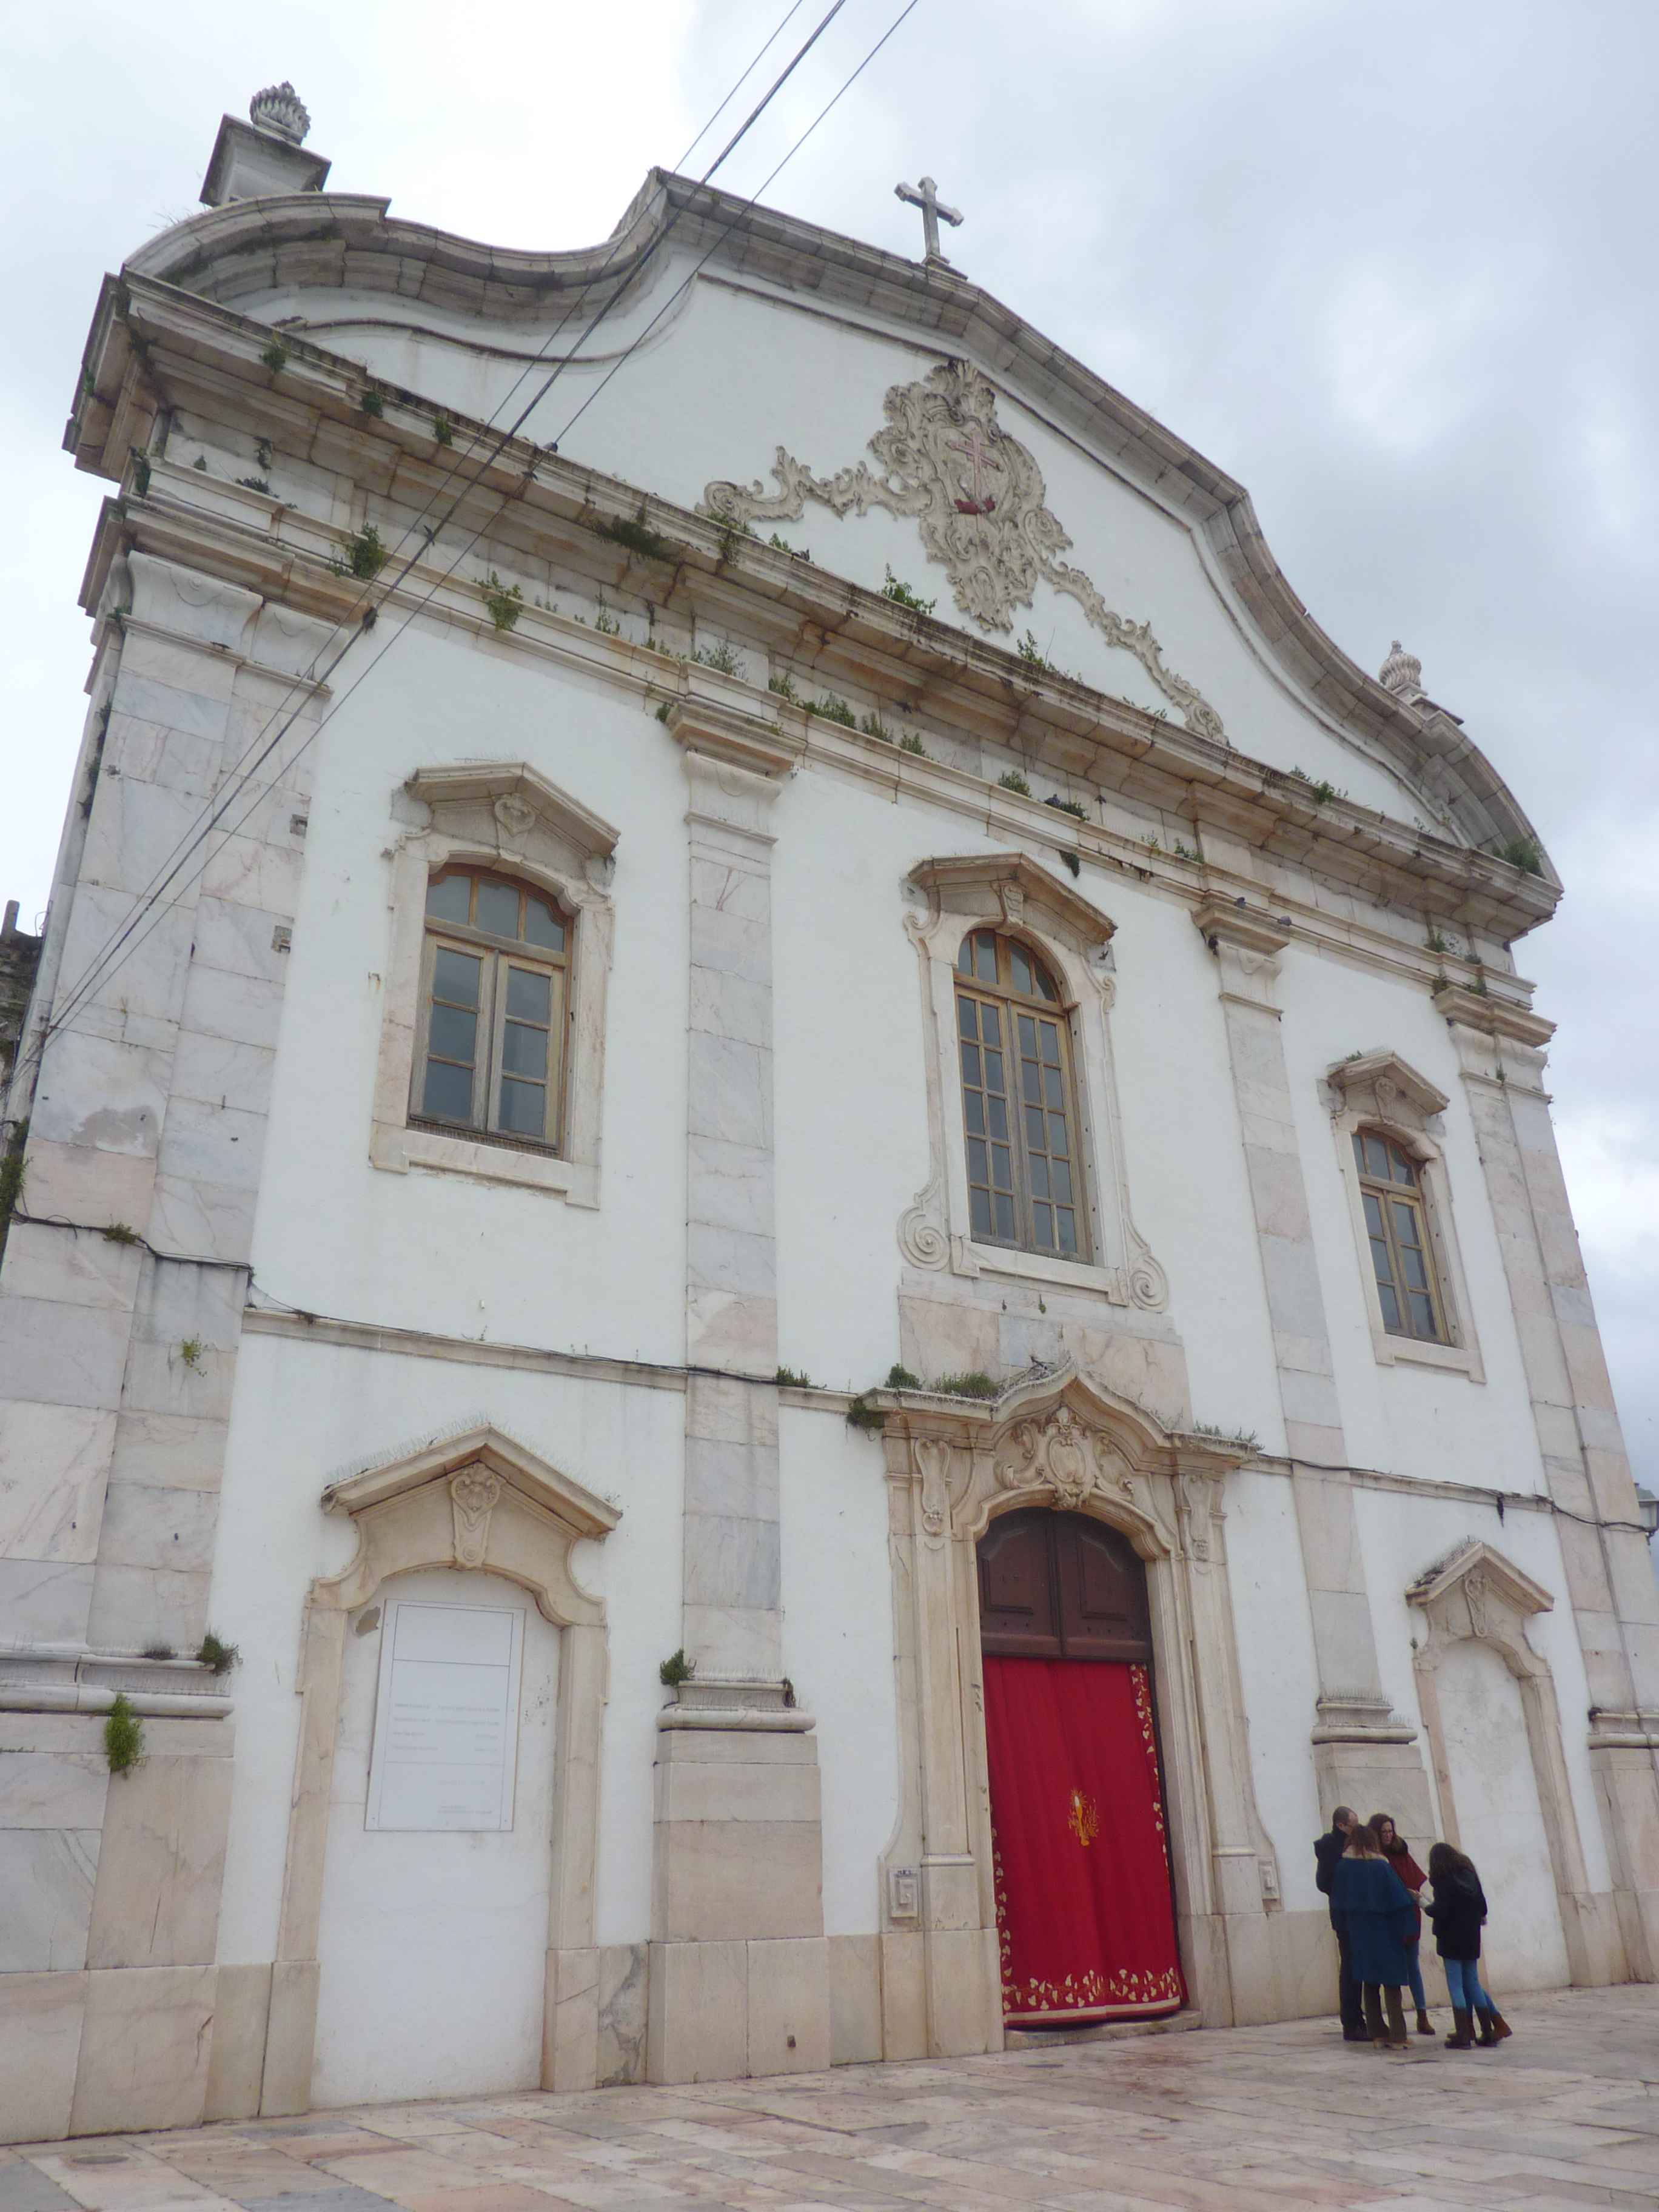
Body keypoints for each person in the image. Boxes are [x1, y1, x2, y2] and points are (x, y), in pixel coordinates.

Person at [1330, 1822, 1418, 2049]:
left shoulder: (1342, 1867)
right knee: (1391, 1983)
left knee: (1369, 1982)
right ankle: (1398, 2035)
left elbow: (1337, 1901)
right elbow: (1399, 1900)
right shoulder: (1381, 1867)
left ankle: (1377, 2033)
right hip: (1385, 1930)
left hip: (1358, 1931)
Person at [1424, 1842, 1512, 2048]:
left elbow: (1440, 1910)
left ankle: (1463, 2034)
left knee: (1456, 1984)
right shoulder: (1470, 1875)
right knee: (1472, 1982)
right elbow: (1483, 1906)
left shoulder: (1443, 1881)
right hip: (1472, 1936)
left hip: (1450, 1938)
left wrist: (1422, 1903)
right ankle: (1487, 2031)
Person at [1370, 1812, 1434, 2036]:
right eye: (1384, 1831)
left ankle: (1422, 2015)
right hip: (1388, 1920)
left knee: (1413, 1968)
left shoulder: (1401, 1851)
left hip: (1409, 1915)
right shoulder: (1374, 1856)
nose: (1388, 1835)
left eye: (1390, 1831)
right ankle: (1394, 2022)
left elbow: (1415, 1879)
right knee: (1390, 1972)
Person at [1313, 1806, 1365, 2040]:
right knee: (1351, 1968)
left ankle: (1358, 2019)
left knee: (1356, 1967)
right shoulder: (1332, 1849)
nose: (1357, 1829)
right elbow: (1323, 1883)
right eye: (1354, 1824)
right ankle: (1352, 2022)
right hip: (1346, 1914)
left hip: (1354, 1913)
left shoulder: (1348, 1845)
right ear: (1341, 1825)